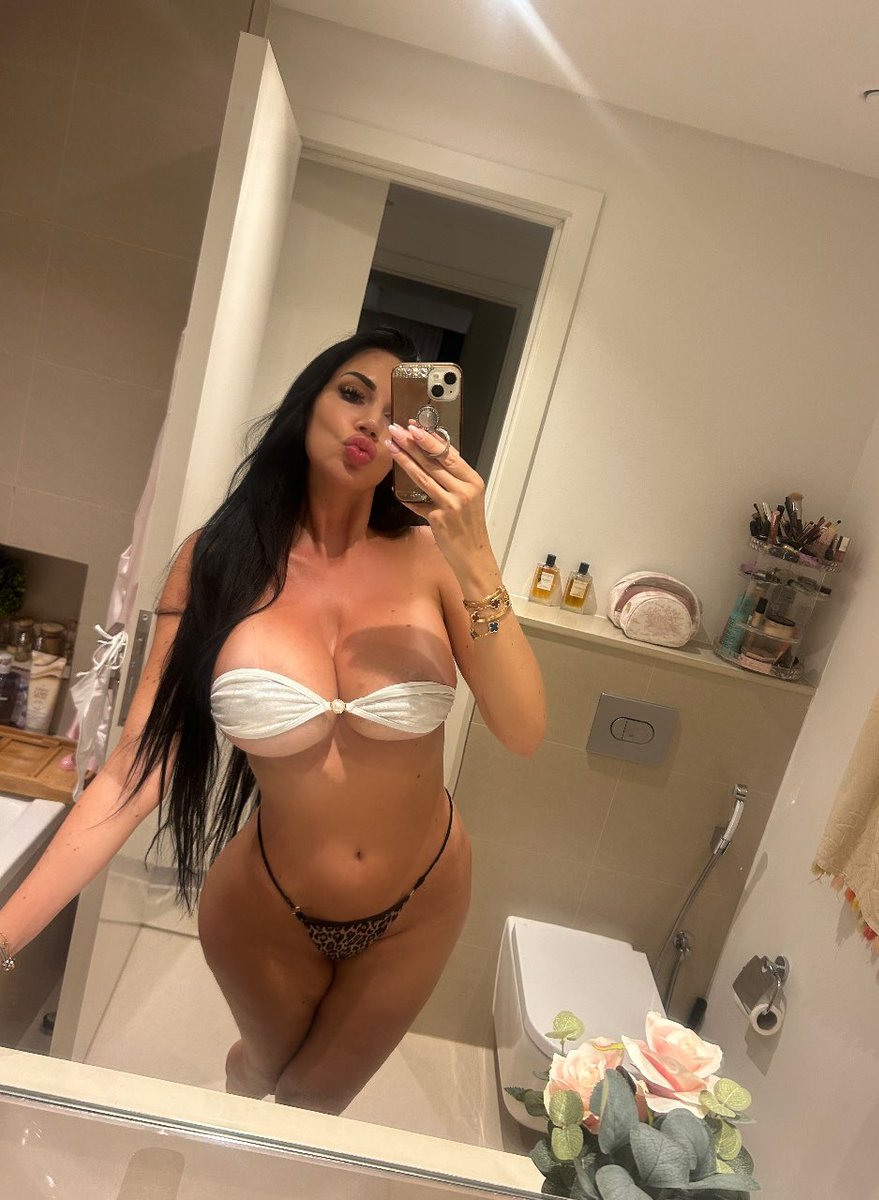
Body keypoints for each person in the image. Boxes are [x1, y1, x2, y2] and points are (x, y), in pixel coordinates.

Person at [0, 328, 546, 1114]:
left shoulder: (435, 561)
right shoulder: (217, 561)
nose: (370, 422)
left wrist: (477, 554)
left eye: (396, 414)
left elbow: (523, 732)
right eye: (352, 393)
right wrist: (6, 935)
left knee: (312, 1105)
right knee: (263, 1078)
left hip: (421, 902)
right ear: (306, 403)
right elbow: (134, 770)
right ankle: (247, 1079)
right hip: (267, 909)